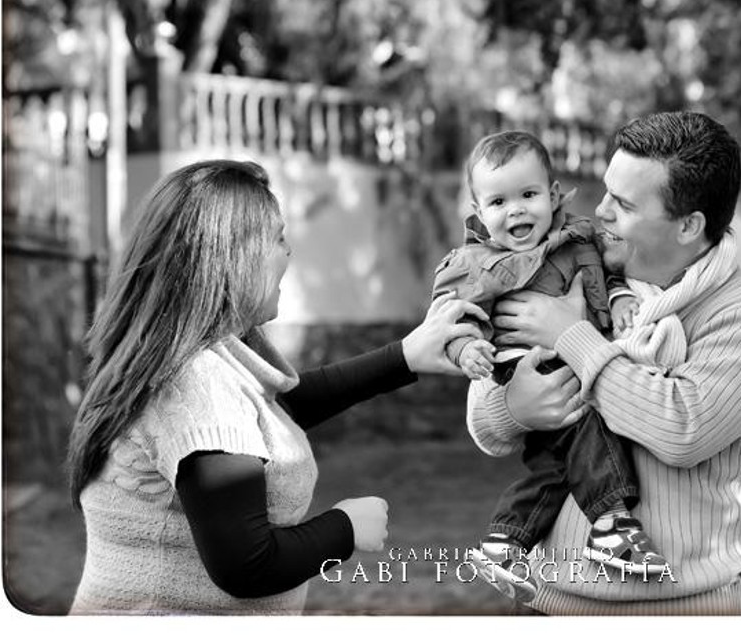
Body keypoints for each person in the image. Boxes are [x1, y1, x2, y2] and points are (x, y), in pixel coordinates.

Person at [65, 159, 484, 614]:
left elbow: (275, 412)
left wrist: (406, 356)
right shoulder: (198, 383)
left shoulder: (183, 358)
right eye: (278, 238)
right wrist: (346, 526)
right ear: (233, 257)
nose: (289, 253)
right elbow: (247, 565)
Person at [466, 112, 741, 615]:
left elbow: (683, 428)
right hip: (546, 604)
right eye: (605, 192)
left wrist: (569, 336)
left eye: (623, 203)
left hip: (683, 611)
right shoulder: (565, 267)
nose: (600, 211)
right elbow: (487, 424)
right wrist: (514, 408)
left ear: (688, 225)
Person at [430, 131, 669, 604]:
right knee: (592, 430)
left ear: (554, 195)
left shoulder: (580, 242)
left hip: (579, 360)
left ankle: (505, 542)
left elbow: (609, 278)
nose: (516, 210)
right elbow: (448, 315)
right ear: (478, 212)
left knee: (555, 468)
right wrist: (464, 350)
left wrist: (618, 300)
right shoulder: (479, 264)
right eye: (498, 201)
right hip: (531, 369)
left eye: (528, 195)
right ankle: (611, 525)